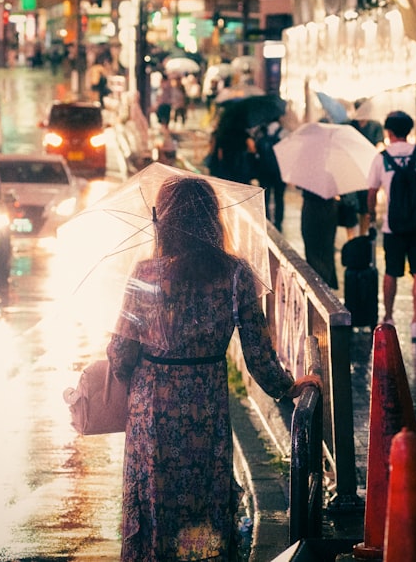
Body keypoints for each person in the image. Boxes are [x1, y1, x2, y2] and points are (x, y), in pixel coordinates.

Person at [105, 175, 319, 561]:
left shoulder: (145, 273)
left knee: (155, 501)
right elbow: (259, 356)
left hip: (151, 411)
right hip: (206, 409)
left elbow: (120, 351)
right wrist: (289, 387)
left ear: (164, 220)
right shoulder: (235, 274)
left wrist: (123, 369)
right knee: (204, 501)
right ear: (212, 219)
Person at [366, 110, 416, 341]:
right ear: (409, 130)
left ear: (388, 132)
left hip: (394, 225)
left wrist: (371, 215)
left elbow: (371, 192)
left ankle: (388, 317)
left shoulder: (382, 158)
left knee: (391, 271)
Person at [350, 98, 384, 234]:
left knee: (365, 207)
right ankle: (352, 239)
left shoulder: (375, 126)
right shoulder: (350, 125)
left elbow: (380, 144)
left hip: (368, 169)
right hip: (352, 169)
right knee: (351, 206)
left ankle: (362, 235)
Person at [300, 188, 339, 289]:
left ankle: (318, 284)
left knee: (312, 250)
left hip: (311, 207)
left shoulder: (308, 173)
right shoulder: (333, 172)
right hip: (329, 207)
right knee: (327, 250)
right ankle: (325, 283)